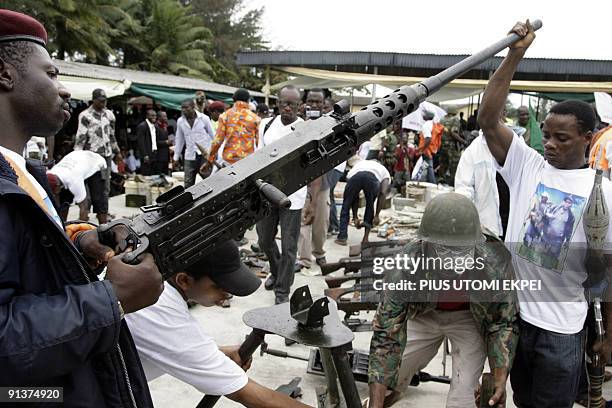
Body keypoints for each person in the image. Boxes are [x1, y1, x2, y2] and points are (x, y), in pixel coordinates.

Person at [0, 9, 163, 405]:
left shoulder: (23, 172)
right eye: (52, 74)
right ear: (4, 74)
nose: (65, 90)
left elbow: (23, 264)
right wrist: (111, 301)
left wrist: (81, 240)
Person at [478, 20, 612, 407]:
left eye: (561, 138)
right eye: (547, 135)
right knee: (522, 400)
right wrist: (514, 54)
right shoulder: (528, 166)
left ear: (588, 137)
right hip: (518, 318)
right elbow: (489, 119)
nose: (549, 144)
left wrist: (608, 335)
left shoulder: (599, 193)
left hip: (564, 328)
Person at [367, 193, 518, 408]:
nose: (453, 261)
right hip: (424, 314)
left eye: (462, 251)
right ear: (426, 245)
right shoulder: (407, 264)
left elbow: (502, 322)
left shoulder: (494, 261)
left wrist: (500, 377)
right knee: (391, 376)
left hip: (470, 318)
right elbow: (386, 337)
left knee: (464, 397)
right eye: (445, 251)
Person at [126, 240, 312, 408]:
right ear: (184, 280)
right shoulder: (161, 311)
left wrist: (217, 352)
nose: (228, 294)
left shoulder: (155, 287)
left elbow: (171, 346)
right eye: (219, 286)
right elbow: (253, 396)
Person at [256, 85, 306, 305]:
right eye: (284, 103)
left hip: (293, 197)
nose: (288, 108)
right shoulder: (266, 125)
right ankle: (276, 273)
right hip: (267, 193)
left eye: (293, 104)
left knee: (289, 246)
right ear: (277, 103)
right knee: (264, 240)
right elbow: (257, 158)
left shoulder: (306, 129)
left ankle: (282, 291)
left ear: (299, 107)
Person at [454, 132, 519, 238]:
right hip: (487, 224)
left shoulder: (515, 143)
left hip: (512, 221)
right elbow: (464, 187)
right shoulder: (474, 150)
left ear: (503, 114)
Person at [74, 88, 119, 223]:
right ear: (93, 100)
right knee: (87, 186)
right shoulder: (85, 115)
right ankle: (84, 213)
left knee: (105, 187)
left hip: (106, 157)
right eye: (100, 101)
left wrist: (117, 151)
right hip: (90, 157)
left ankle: (103, 213)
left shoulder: (109, 115)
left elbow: (112, 135)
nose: (103, 103)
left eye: (105, 100)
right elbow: (80, 137)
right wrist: (77, 155)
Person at [297, 88, 330, 270]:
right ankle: (304, 258)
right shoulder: (299, 124)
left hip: (323, 183)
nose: (315, 105)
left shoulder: (330, 124)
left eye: (319, 102)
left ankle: (319, 252)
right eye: (311, 101)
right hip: (302, 183)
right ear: (305, 103)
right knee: (304, 220)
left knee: (321, 222)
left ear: (325, 105)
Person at [335, 157, 390, 245]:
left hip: (355, 177)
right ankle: (365, 239)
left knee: (346, 206)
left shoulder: (359, 164)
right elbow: (383, 193)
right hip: (372, 179)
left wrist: (355, 216)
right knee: (370, 205)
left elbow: (354, 196)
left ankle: (342, 237)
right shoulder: (384, 170)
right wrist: (376, 215)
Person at [47, 150, 107, 222]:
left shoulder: (74, 180)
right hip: (77, 160)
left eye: (55, 193)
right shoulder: (48, 174)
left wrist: (79, 230)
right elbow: (56, 204)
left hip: (95, 163)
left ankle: (104, 228)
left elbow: (84, 207)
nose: (55, 195)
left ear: (57, 187)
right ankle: (62, 227)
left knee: (98, 199)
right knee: (64, 201)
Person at [208, 88, 260, 166]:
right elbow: (258, 143)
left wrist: (210, 158)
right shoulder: (255, 118)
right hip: (248, 161)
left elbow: (217, 141)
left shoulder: (225, 116)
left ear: (233, 99)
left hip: (229, 161)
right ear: (248, 100)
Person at [173, 99, 215, 187]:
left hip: (204, 155)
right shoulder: (180, 121)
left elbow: (213, 136)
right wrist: (176, 157)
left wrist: (214, 153)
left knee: (208, 179)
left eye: (186, 108)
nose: (184, 110)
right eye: (182, 108)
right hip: (190, 155)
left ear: (193, 107)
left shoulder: (204, 119)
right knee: (188, 182)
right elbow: (179, 139)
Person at [438, 107, 466, 186]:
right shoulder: (455, 119)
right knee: (454, 165)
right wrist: (464, 142)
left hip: (442, 145)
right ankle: (453, 183)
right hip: (451, 146)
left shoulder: (442, 119)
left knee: (443, 164)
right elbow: (454, 133)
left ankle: (441, 181)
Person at [136, 109, 160, 175]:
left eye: (155, 116)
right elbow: (141, 142)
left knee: (153, 173)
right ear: (147, 116)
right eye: (152, 115)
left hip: (154, 153)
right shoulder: (142, 126)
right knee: (146, 173)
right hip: (146, 154)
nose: (154, 117)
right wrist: (145, 155)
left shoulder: (155, 126)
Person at [417, 110, 438, 184]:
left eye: (424, 114)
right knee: (425, 165)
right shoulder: (433, 124)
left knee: (429, 167)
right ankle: (419, 180)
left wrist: (423, 149)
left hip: (427, 149)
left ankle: (432, 183)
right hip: (432, 149)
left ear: (427, 116)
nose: (423, 115)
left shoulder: (426, 125)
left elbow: (428, 138)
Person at [155, 111, 170, 175]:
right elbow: (155, 142)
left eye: (166, 116)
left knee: (166, 172)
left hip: (166, 154)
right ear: (159, 117)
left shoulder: (165, 126)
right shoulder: (156, 127)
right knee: (159, 173)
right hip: (159, 155)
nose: (166, 118)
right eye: (164, 116)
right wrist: (165, 142)